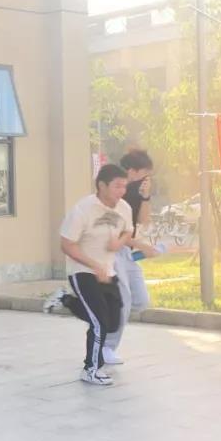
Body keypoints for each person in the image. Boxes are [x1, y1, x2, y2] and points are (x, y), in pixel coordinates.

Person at [59, 164, 134, 386]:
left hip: (108, 271)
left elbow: (129, 230)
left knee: (112, 323)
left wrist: (118, 243)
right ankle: (91, 369)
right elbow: (67, 244)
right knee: (100, 322)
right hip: (83, 272)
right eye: (117, 186)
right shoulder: (83, 210)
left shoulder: (124, 208)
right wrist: (94, 265)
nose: (122, 191)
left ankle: (66, 300)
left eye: (124, 186)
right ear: (102, 185)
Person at [101, 150, 160, 365]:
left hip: (126, 251)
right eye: (144, 174)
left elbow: (144, 222)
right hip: (111, 252)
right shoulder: (114, 196)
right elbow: (114, 234)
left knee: (140, 300)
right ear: (131, 172)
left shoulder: (136, 193)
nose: (147, 179)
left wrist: (145, 197)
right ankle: (106, 347)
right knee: (124, 301)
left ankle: (102, 314)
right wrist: (143, 246)